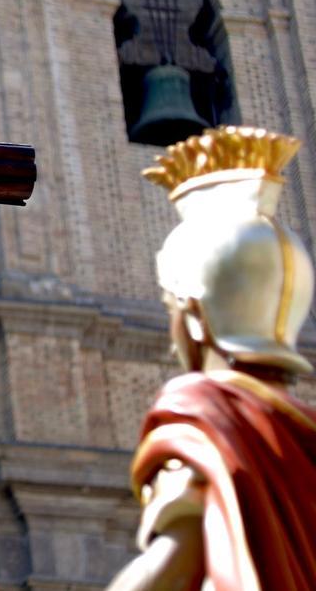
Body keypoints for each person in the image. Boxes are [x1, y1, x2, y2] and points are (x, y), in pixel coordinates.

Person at [108, 126, 316, 590]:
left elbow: (172, 563)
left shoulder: (209, 415)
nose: (171, 333)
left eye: (171, 309)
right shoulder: (304, 434)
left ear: (196, 315)